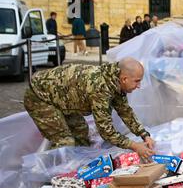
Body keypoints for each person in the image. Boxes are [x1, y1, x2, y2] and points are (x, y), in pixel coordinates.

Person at [23, 57, 156, 161]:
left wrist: (144, 135)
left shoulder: (115, 80)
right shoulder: (100, 89)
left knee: (81, 132)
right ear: (125, 79)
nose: (139, 86)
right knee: (65, 142)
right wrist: (135, 146)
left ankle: (78, 166)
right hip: (40, 97)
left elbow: (125, 111)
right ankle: (52, 175)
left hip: (64, 100)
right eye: (137, 81)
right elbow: (106, 132)